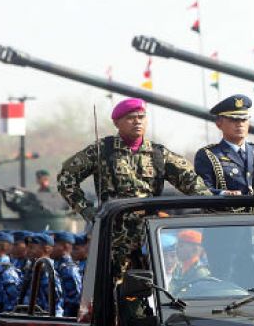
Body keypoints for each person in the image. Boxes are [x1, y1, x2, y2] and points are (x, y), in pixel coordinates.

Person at [57, 98, 211, 276]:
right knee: (115, 288)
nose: (137, 121)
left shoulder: (158, 153)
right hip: (115, 236)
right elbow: (66, 178)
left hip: (150, 233)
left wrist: (211, 201)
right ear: (117, 122)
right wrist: (88, 211)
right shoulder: (102, 150)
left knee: (157, 284)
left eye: (141, 117)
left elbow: (191, 181)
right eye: (130, 117)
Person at [194, 94, 254, 199]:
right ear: (219, 123)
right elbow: (202, 189)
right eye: (234, 120)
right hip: (227, 213)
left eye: (244, 119)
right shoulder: (208, 155)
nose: (240, 124)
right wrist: (224, 194)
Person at [168, 230, 213, 297]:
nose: (177, 249)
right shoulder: (178, 269)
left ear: (195, 249)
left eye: (181, 246)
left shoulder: (201, 273)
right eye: (177, 245)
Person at [50, 232, 83, 317]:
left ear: (65, 247)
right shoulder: (57, 265)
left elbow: (74, 300)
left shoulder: (69, 269)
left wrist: (65, 318)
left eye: (53, 246)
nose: (50, 249)